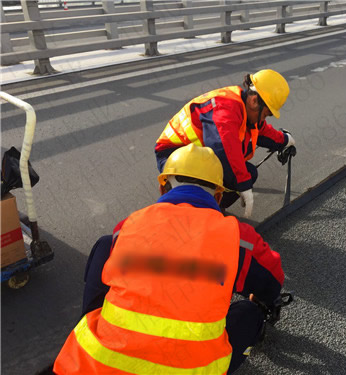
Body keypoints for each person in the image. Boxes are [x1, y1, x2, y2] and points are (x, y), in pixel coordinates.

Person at [53, 144, 285, 375]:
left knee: (106, 246)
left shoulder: (127, 227)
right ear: (218, 195)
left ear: (163, 188)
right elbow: (273, 282)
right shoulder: (238, 239)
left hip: (94, 366)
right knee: (250, 315)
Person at [154, 69, 295, 218]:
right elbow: (223, 151)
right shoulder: (226, 109)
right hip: (173, 156)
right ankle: (196, 215)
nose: (263, 120)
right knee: (231, 176)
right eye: (265, 114)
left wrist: (285, 140)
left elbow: (262, 131)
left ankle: (214, 209)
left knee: (249, 173)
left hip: (194, 157)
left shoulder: (245, 107)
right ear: (254, 101)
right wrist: (244, 186)